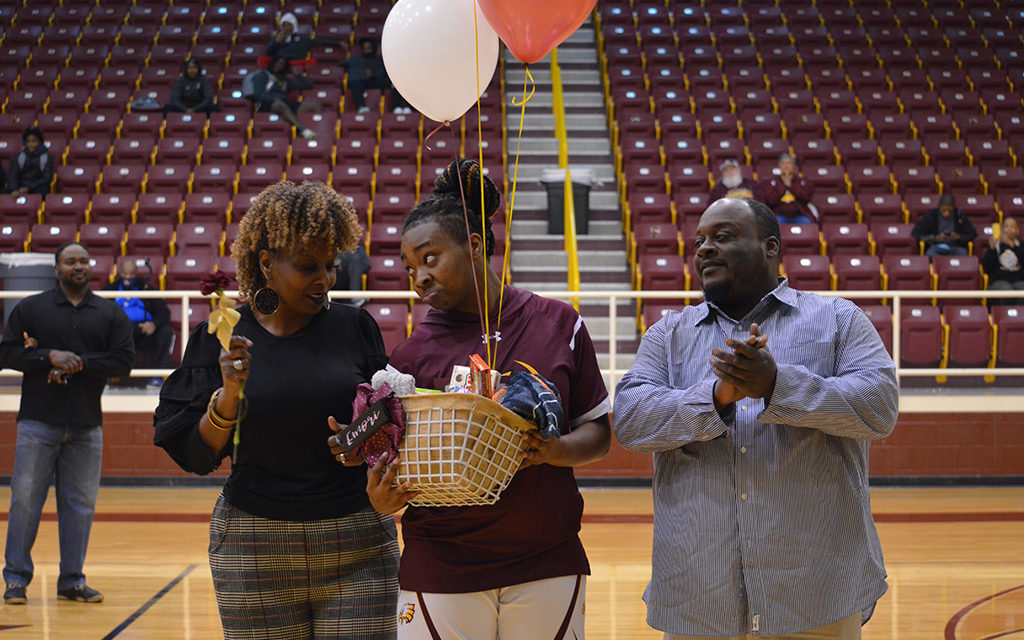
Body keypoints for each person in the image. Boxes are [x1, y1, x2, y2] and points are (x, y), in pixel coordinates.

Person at [330, 159, 611, 639]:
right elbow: (390, 471)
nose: (418, 278)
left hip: (546, 561)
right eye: (409, 267)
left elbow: (600, 434)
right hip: (441, 564)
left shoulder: (560, 323)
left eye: (430, 258)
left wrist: (556, 450)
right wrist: (380, 496)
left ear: (475, 245)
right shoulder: (408, 356)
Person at [613, 198, 898, 639]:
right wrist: (715, 397)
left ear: (770, 247)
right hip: (697, 597)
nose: (705, 248)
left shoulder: (839, 320)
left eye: (723, 237)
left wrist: (778, 385)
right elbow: (631, 419)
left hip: (817, 595)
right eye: (701, 241)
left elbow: (878, 408)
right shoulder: (667, 335)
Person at [153, 181, 399, 639]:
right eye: (308, 267)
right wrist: (228, 394)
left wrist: (360, 439)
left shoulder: (355, 327)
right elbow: (196, 455)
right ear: (266, 263)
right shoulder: (221, 336)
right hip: (253, 545)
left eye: (330, 265)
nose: (325, 279)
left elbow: (388, 415)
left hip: (358, 541)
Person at [2, 242, 134, 605]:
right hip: (37, 422)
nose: (79, 266)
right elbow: (7, 352)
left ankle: (72, 580)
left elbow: (123, 362)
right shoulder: (32, 308)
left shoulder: (109, 314)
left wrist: (77, 363)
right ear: (56, 268)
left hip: (86, 423)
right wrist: (48, 356)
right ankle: (15, 580)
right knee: (25, 502)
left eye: (84, 261)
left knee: (79, 505)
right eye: (70, 261)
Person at [103, 260, 175, 386]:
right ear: (120, 274)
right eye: (125, 274)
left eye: (131, 274)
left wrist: (153, 324)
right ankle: (105, 376)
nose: (128, 278)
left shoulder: (147, 289)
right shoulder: (110, 290)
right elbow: (101, 314)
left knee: (165, 332)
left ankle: (157, 376)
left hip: (143, 332)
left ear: (137, 274)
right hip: (118, 334)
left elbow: (164, 312)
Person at [244, 56, 321, 140]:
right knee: (280, 105)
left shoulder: (284, 79)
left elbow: (308, 85)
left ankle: (318, 132)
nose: (279, 65)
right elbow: (258, 95)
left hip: (284, 103)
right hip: (266, 104)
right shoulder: (262, 75)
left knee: (315, 105)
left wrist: (295, 73)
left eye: (282, 64)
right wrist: (273, 99)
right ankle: (303, 130)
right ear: (273, 62)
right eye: (278, 62)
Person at [341, 37, 412, 114]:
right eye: (365, 48)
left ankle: (400, 107)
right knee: (357, 83)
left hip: (375, 82)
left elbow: (382, 75)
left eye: (369, 48)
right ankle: (361, 106)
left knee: (395, 83)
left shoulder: (379, 62)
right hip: (360, 82)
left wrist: (373, 75)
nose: (367, 50)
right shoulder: (355, 59)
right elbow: (340, 66)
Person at [912, 193, 977, 257]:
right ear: (939, 206)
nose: (947, 213)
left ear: (953, 207)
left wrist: (959, 237)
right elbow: (917, 234)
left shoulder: (959, 215)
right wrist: (935, 238)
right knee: (930, 254)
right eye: (944, 210)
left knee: (963, 253)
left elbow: (972, 234)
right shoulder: (931, 216)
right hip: (936, 247)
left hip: (954, 247)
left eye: (949, 211)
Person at [761, 153, 817, 224]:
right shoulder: (770, 182)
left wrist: (791, 186)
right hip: (778, 216)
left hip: (800, 215)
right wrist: (784, 186)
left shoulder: (803, 181)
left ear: (794, 166)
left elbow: (806, 198)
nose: (786, 166)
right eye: (783, 164)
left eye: (789, 163)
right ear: (780, 166)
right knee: (774, 224)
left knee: (808, 223)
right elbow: (770, 201)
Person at [265, 12, 341, 63]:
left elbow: (321, 42)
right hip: (280, 66)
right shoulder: (277, 38)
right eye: (285, 26)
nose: (287, 28)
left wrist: (338, 43)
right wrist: (276, 43)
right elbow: (268, 54)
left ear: (294, 25)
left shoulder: (303, 39)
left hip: (297, 67)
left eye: (289, 25)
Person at [982, 217, 1024, 305]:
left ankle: (1019, 315)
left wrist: (1012, 246)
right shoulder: (996, 245)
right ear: (1002, 230)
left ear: (1017, 231)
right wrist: (992, 250)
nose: (1009, 229)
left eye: (1012, 227)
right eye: (1006, 226)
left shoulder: (1021, 245)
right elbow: (987, 267)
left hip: (1018, 279)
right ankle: (1007, 315)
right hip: (999, 280)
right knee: (1007, 291)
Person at [7, 127, 53, 196]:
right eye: (28, 141)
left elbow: (47, 178)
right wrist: (14, 189)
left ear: (40, 142)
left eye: (34, 141)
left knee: (42, 191)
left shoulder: (46, 157)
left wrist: (28, 188)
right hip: (20, 186)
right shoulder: (19, 156)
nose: (30, 144)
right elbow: (12, 175)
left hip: (38, 187)